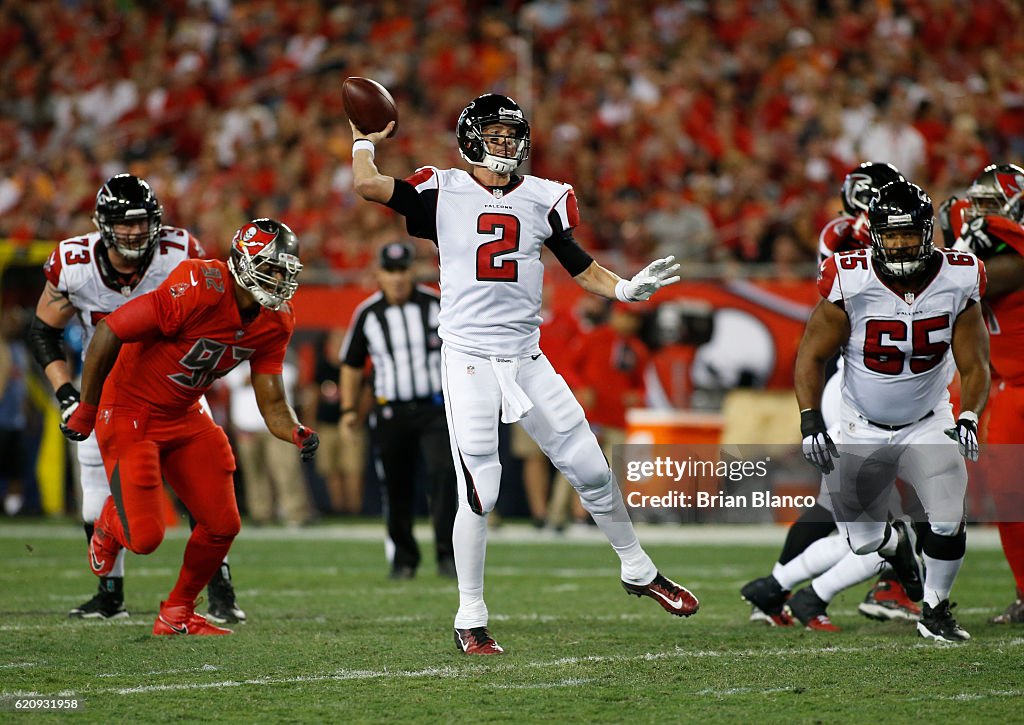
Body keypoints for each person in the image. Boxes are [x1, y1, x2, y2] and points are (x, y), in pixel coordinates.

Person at [351, 93, 697, 655]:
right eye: (496, 133)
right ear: (469, 138)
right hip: (467, 358)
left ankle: (639, 569)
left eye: (514, 134)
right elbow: (369, 185)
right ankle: (470, 616)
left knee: (590, 466)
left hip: (527, 357)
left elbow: (581, 267)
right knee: (482, 487)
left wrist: (628, 288)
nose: (507, 143)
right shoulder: (442, 189)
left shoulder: (545, 197)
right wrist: (364, 140)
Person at [59, 217, 319, 636]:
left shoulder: (275, 321)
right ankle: (109, 525)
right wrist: (87, 409)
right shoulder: (200, 285)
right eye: (271, 267)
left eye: (284, 270)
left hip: (183, 411)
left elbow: (271, 401)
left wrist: (295, 430)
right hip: (130, 409)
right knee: (144, 538)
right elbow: (110, 330)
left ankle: (176, 611)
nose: (279, 278)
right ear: (244, 261)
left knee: (222, 524)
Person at [26, 174, 245, 623]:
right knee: (95, 496)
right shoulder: (73, 261)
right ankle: (110, 596)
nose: (133, 233)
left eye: (142, 223)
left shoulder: (181, 252)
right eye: (123, 224)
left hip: (176, 389)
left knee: (202, 494)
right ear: (100, 224)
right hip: (104, 392)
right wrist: (67, 392)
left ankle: (219, 589)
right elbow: (43, 329)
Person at [794, 180, 990, 642]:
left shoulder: (960, 276)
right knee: (862, 541)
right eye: (892, 234)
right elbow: (810, 355)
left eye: (908, 233)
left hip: (928, 419)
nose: (900, 243)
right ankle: (896, 543)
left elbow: (975, 363)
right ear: (875, 235)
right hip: (859, 423)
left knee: (946, 515)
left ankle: (936, 609)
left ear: (927, 232)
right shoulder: (848, 276)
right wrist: (810, 422)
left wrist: (969, 416)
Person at [743, 162, 922, 628]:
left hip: (876, 387)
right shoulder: (843, 239)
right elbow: (847, 274)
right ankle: (813, 592)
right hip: (856, 388)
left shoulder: (901, 243)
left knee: (843, 510)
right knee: (883, 520)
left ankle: (778, 591)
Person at [340, 241, 457, 579]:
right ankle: (404, 559)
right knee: (395, 486)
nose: (397, 278)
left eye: (402, 269)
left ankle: (448, 556)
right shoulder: (368, 312)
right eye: (390, 271)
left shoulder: (438, 305)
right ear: (379, 274)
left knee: (443, 480)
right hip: (390, 412)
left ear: (412, 270)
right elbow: (351, 364)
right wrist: (350, 410)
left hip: (435, 409)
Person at [951, 163, 1024, 625]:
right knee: (1009, 496)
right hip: (1005, 386)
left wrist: (961, 244)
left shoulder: (1014, 259)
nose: (978, 212)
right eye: (976, 203)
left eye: (991, 205)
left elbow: (964, 281)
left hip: (1018, 386)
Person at [224, 357, 312, 526]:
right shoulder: (235, 355)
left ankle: (296, 512)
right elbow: (230, 379)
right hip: (246, 425)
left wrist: (256, 377)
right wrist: (261, 377)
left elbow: (289, 376)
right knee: (254, 473)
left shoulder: (279, 350)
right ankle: (260, 513)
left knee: (286, 469)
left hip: (278, 427)